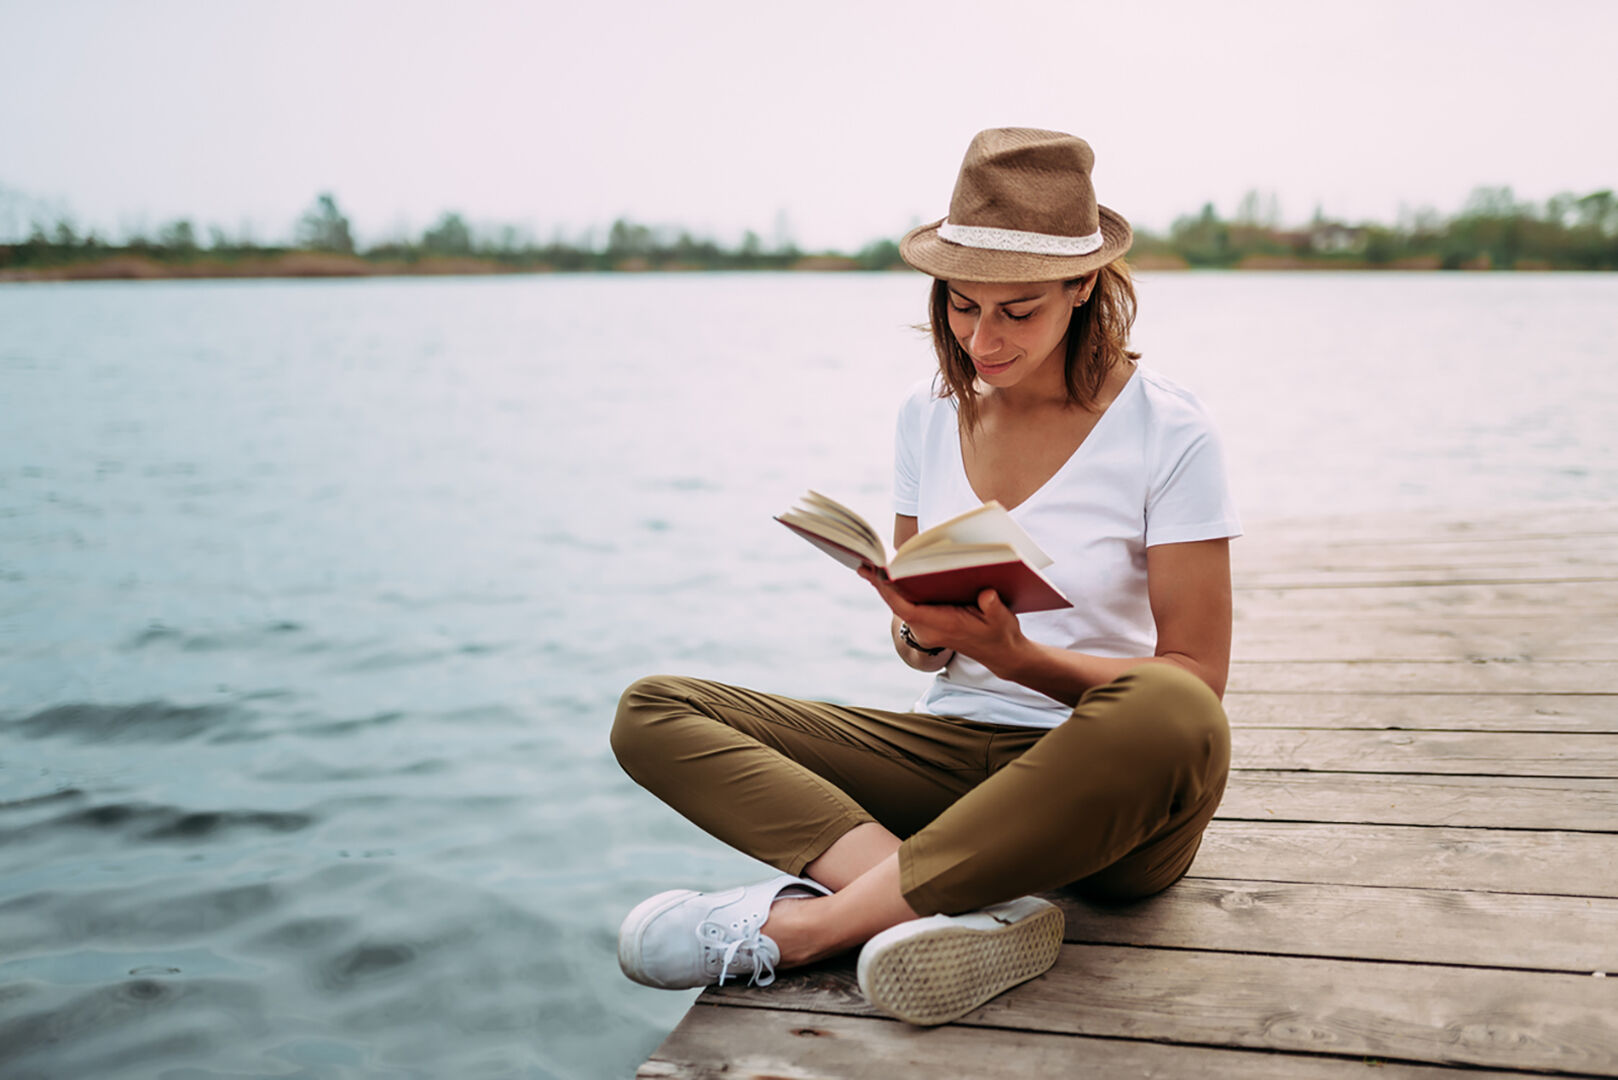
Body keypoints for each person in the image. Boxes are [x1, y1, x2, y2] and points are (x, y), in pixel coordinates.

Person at [611, 127, 1240, 1027]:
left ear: (1082, 285)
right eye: (960, 304)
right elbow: (917, 655)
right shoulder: (928, 414)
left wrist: (1021, 659)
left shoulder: (1169, 430)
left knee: (1173, 713)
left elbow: (1196, 678)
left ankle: (813, 928)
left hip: (1110, 786)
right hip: (954, 761)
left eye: (1016, 311)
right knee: (653, 710)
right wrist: (917, 627)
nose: (981, 338)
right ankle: (947, 907)